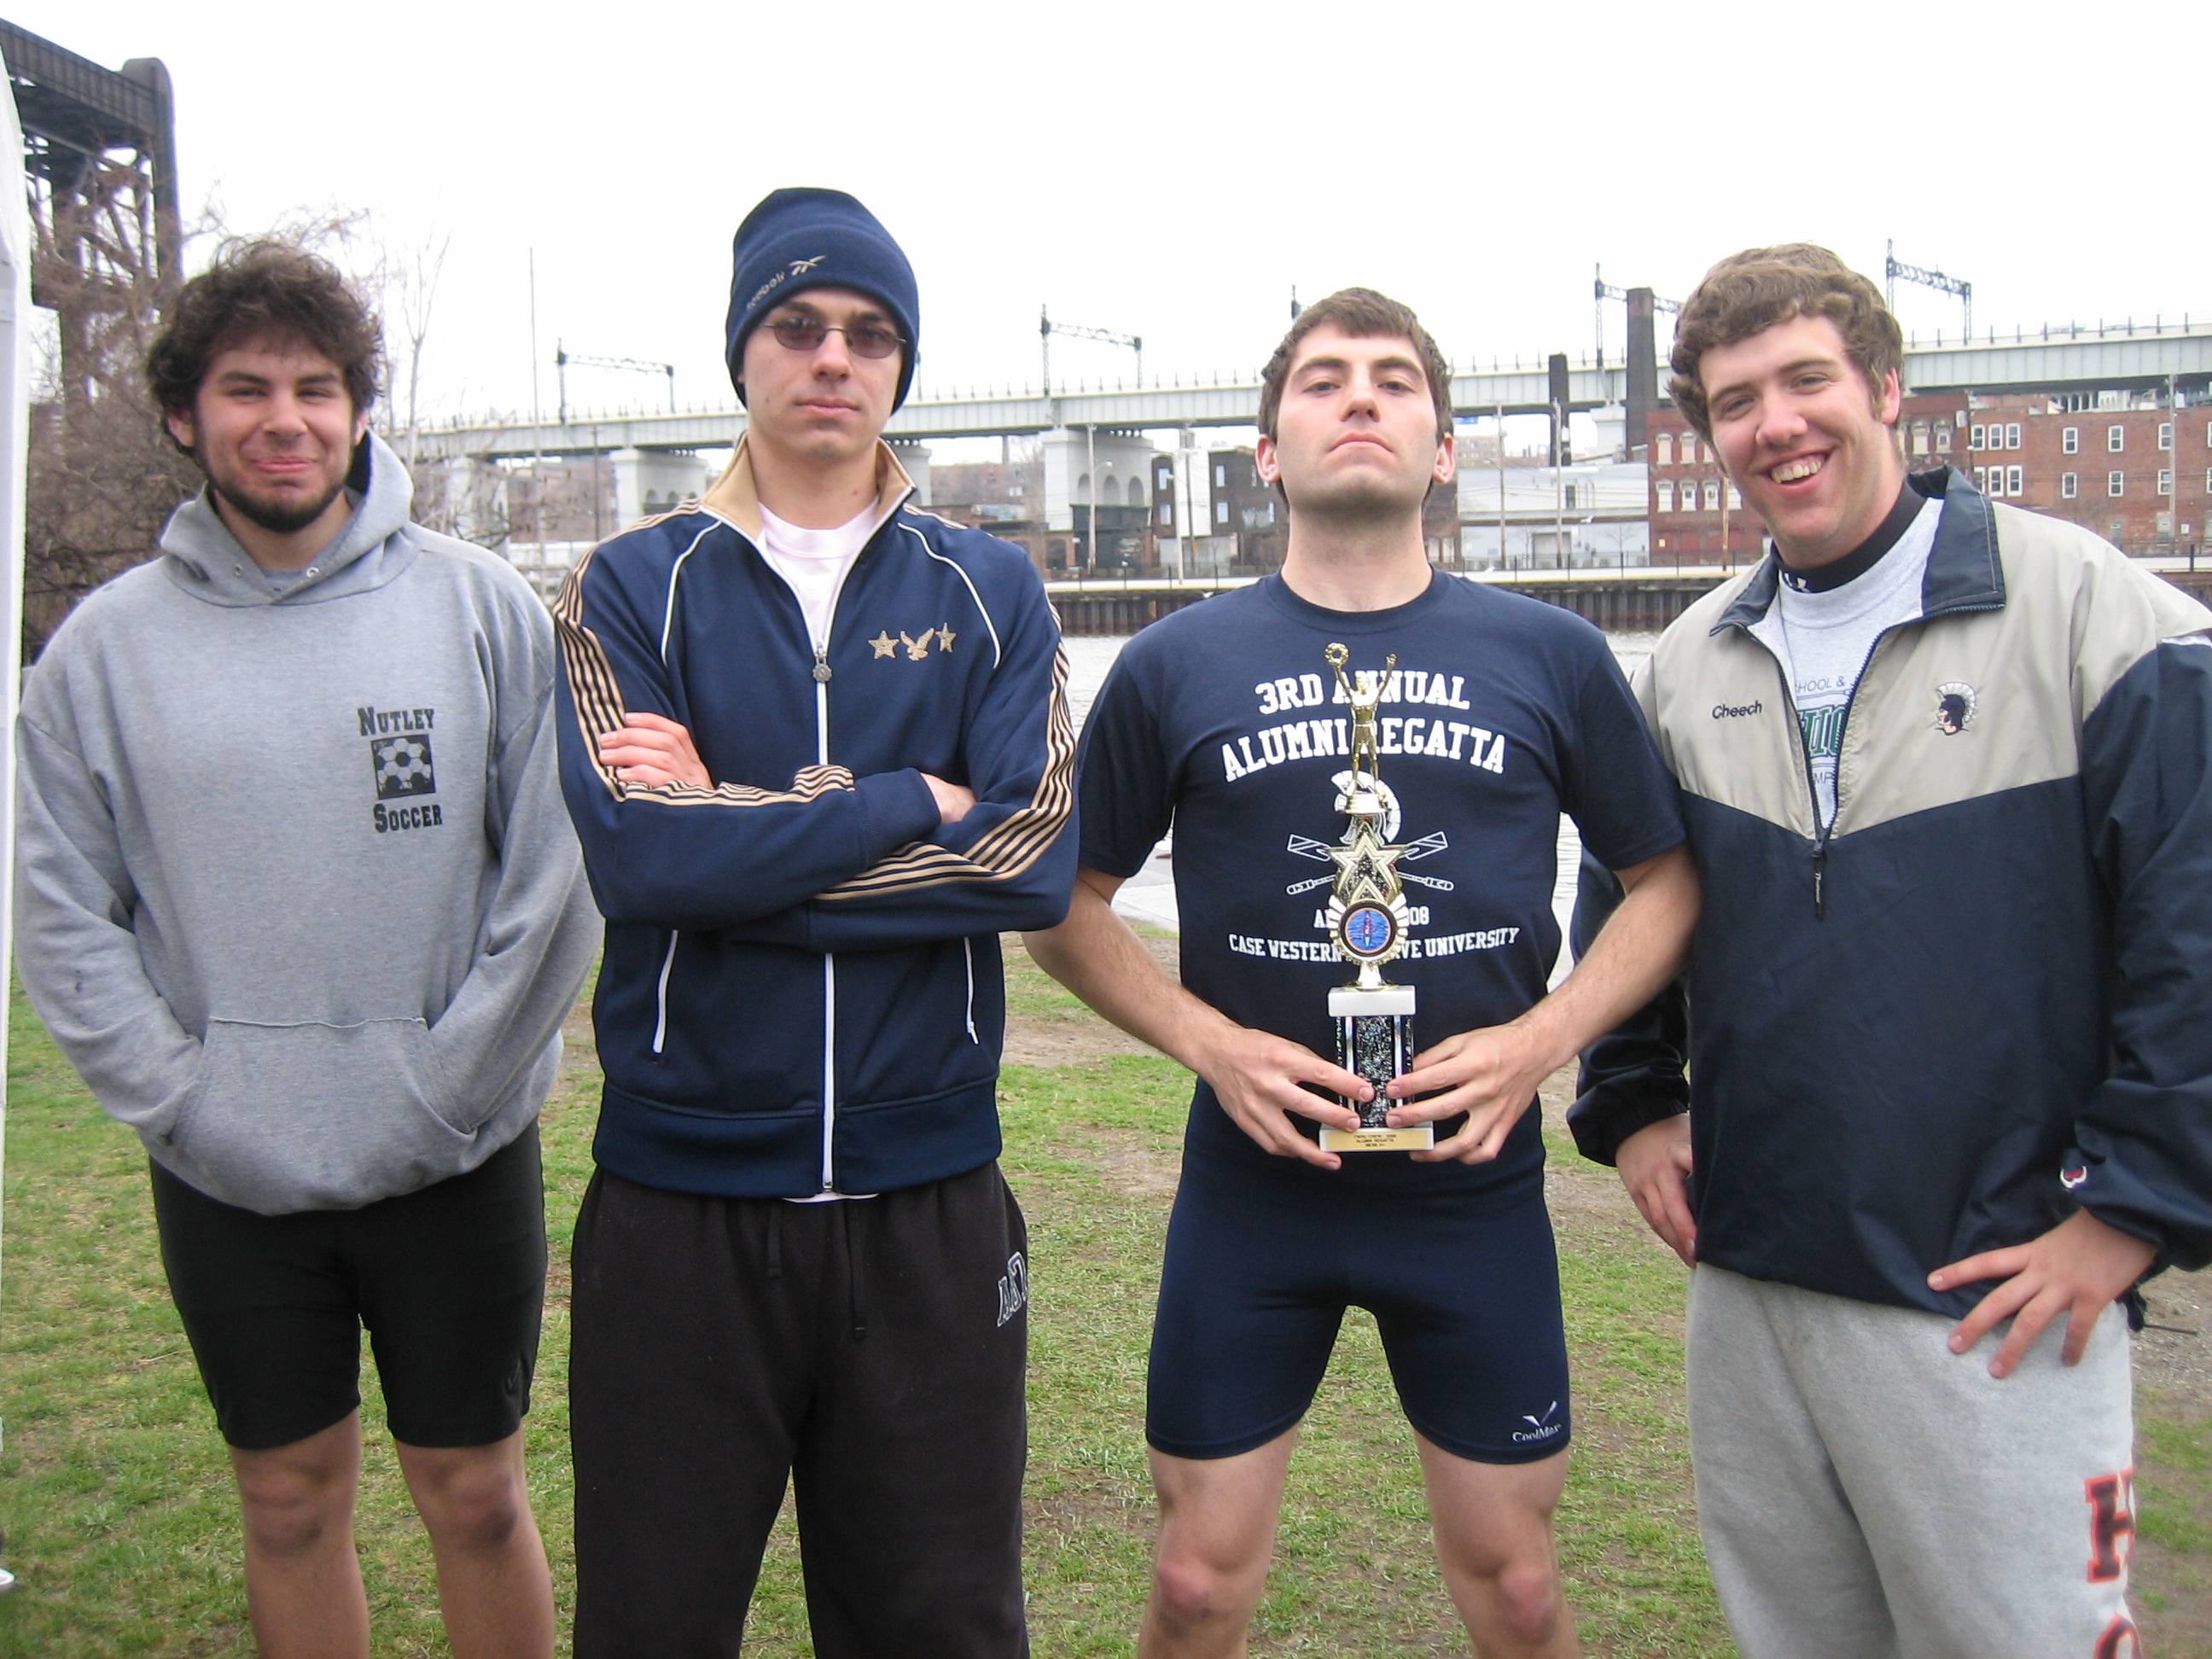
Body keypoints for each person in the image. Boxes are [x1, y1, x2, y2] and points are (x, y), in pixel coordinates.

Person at [1025, 288, 1699, 1659]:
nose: (1360, 398)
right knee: (1195, 1584)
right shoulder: (1173, 665)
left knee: (1518, 1589)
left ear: (1442, 450)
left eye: (1395, 380)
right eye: (1324, 379)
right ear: (1267, 452)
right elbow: (1066, 905)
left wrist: (1541, 1042)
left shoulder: (1552, 656)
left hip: (1471, 1192)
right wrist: (1211, 1044)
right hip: (1256, 1189)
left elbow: (1667, 885)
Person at [1571, 244, 2212, 1659]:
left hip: (1992, 1290)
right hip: (1754, 1282)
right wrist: (1635, 1099)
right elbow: (1625, 900)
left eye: (1807, 380)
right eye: (1736, 401)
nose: (1777, 425)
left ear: (1887, 388)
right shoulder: (1692, 661)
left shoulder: (2095, 615)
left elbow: (2197, 928)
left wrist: (2138, 1208)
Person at [14, 240, 598, 1659]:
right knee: (284, 1503)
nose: (286, 420)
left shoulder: (478, 608)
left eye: (317, 388)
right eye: (246, 389)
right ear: (184, 414)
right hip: (228, 1167)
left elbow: (556, 872)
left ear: (357, 409)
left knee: (476, 1496)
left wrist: (450, 1085)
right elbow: (61, 910)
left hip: (455, 1151)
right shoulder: (101, 654)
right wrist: (189, 1103)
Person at [552, 187, 1074, 1657]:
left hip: (929, 1206)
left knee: (942, 1631)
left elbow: (1030, 862)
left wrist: (735, 828)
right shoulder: (630, 584)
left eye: (869, 332)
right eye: (797, 325)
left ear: (900, 365)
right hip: (681, 1211)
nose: (833, 356)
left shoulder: (991, 589)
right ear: (743, 352)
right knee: (651, 1629)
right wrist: (902, 796)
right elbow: (640, 862)